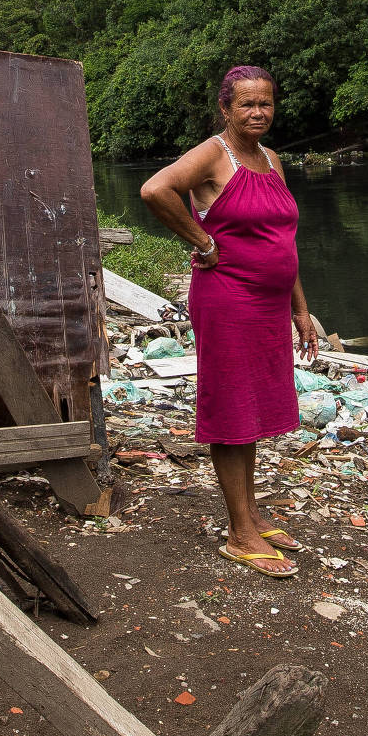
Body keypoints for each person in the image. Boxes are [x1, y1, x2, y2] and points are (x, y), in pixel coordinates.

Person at [139, 65, 316, 578]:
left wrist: (300, 308)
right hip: (228, 299)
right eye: (247, 105)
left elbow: (284, 241)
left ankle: (253, 516)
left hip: (268, 303)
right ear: (226, 108)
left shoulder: (271, 159)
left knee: (255, 407)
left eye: (266, 103)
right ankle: (240, 534)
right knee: (234, 407)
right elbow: (155, 191)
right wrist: (204, 241)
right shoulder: (215, 155)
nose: (258, 113)